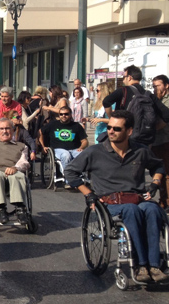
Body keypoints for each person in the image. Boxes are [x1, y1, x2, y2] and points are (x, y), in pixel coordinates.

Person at [65, 110, 168, 283]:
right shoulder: (95, 152)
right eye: (109, 127)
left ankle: (154, 265)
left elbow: (158, 166)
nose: (111, 131)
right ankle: (140, 265)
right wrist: (89, 194)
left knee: (152, 209)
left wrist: (155, 184)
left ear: (129, 131)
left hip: (136, 198)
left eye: (116, 129)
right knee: (131, 211)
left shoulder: (140, 151)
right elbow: (70, 171)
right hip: (109, 202)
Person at [102, 65, 169, 144]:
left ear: (129, 77)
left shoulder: (123, 91)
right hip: (145, 138)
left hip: (126, 137)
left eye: (124, 77)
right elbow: (167, 115)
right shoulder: (149, 95)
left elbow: (106, 102)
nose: (123, 80)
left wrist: (111, 118)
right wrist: (153, 128)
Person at [40, 106, 88, 188]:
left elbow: (84, 141)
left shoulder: (76, 126)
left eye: (66, 114)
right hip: (58, 149)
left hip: (74, 149)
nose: (63, 116)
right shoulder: (53, 124)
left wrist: (82, 147)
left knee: (85, 155)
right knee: (66, 155)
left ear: (70, 115)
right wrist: (43, 146)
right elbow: (40, 132)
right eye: (61, 114)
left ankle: (81, 176)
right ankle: (69, 180)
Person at [151, 74, 169, 209]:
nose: (155, 88)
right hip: (156, 141)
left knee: (166, 173)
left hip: (166, 139)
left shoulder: (166, 101)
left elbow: (162, 122)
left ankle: (166, 201)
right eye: (154, 86)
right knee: (159, 172)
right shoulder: (155, 99)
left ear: (166, 85)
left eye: (158, 85)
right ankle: (163, 199)